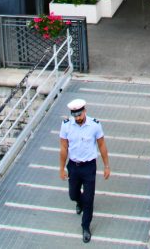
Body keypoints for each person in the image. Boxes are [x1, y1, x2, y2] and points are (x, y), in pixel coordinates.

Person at [59, 98, 111, 243]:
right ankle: (79, 202)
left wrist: (106, 166)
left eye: (80, 115)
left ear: (85, 112)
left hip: (89, 167)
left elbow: (101, 145)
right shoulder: (66, 125)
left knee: (89, 199)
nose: (77, 118)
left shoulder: (94, 125)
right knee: (72, 194)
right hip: (73, 166)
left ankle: (85, 226)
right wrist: (61, 168)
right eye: (75, 115)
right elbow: (63, 148)